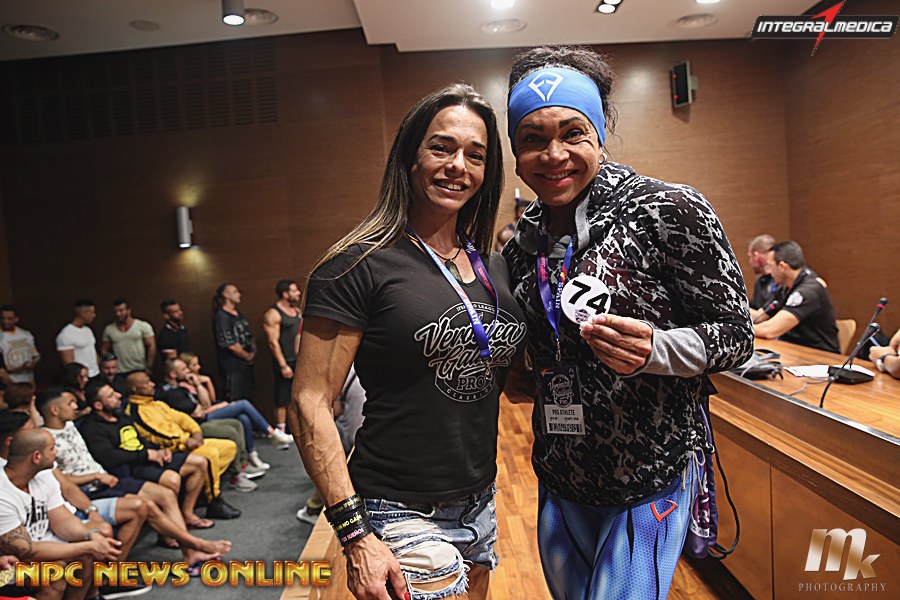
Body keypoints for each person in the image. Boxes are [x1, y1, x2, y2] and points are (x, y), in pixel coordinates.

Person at [500, 46, 753, 600]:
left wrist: (657, 349)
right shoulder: (521, 244)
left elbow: (737, 335)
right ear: (516, 153)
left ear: (599, 135)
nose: (554, 154)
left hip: (651, 472)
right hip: (562, 473)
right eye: (533, 139)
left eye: (573, 133)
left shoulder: (668, 209)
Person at [290, 82, 527, 600]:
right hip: (396, 506)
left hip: (479, 501)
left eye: (475, 155)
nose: (457, 165)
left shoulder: (495, 267)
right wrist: (355, 536)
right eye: (441, 147)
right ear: (410, 155)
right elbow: (310, 403)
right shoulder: (356, 264)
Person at [39, 385, 231, 565]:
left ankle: (190, 551)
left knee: (165, 494)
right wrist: (95, 477)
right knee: (147, 505)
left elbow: (87, 410)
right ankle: (194, 547)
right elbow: (60, 481)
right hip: (87, 489)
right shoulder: (44, 441)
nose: (76, 406)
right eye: (70, 403)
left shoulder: (70, 424)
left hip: (106, 480)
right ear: (55, 410)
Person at [80, 383, 229, 544]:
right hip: (131, 466)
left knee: (199, 463)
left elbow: (140, 440)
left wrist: (160, 450)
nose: (118, 395)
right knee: (172, 479)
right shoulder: (92, 428)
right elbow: (109, 457)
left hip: (147, 456)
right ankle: (168, 533)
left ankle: (187, 514)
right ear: (98, 405)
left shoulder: (121, 417)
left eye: (114, 391)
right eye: (110, 395)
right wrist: (146, 455)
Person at [0, 427, 124, 600]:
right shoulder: (3, 493)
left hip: (41, 546)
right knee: (54, 574)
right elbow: (27, 550)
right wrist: (88, 546)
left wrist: (91, 535)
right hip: (9, 563)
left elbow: (63, 520)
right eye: (52, 448)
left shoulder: (44, 476)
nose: (56, 452)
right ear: (36, 457)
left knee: (86, 556)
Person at [124, 371, 242, 520]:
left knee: (229, 447)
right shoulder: (135, 411)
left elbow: (182, 418)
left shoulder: (157, 404)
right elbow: (158, 434)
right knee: (210, 454)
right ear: (135, 389)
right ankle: (214, 501)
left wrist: (196, 433)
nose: (152, 384)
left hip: (189, 442)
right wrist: (185, 441)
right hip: (173, 450)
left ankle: (201, 489)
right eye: (147, 383)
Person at [753, 240, 840, 353]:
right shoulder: (785, 288)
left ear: (782, 266)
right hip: (793, 351)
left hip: (818, 357)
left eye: (770, 266)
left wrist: (739, 330)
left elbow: (769, 330)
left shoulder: (809, 291)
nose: (769, 272)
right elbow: (760, 316)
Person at [263, 279, 302, 432]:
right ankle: (281, 433)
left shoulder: (297, 311)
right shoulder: (273, 314)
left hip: (299, 361)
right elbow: (273, 342)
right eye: (294, 290)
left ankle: (294, 430)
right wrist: (283, 365)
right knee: (282, 398)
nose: (298, 293)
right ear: (285, 294)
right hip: (285, 362)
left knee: (296, 397)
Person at [212, 283, 256, 402]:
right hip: (232, 367)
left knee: (248, 395)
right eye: (235, 292)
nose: (239, 294)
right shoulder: (222, 316)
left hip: (246, 365)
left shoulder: (239, 313)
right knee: (235, 398)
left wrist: (252, 352)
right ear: (226, 295)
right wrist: (247, 356)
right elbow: (230, 344)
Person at [101, 299, 156, 373]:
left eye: (121, 311)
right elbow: (105, 349)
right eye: (116, 311)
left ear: (128, 310)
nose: (118, 314)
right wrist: (110, 366)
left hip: (139, 368)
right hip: (119, 370)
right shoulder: (109, 329)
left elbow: (151, 346)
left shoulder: (143, 326)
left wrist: (149, 366)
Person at [55, 299, 99, 378]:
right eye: (92, 312)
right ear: (83, 313)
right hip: (82, 378)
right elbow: (69, 365)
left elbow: (93, 352)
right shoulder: (66, 334)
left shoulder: (88, 330)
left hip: (95, 374)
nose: (94, 315)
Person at [0, 305, 40, 384]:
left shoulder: (26, 334)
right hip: (9, 380)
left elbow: (35, 354)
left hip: (28, 379)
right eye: (3, 318)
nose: (5, 321)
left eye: (9, 319)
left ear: (16, 319)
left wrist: (34, 362)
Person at [747, 234, 778, 310]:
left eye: (749, 257)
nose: (749, 261)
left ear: (756, 256)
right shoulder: (760, 281)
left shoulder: (781, 279)